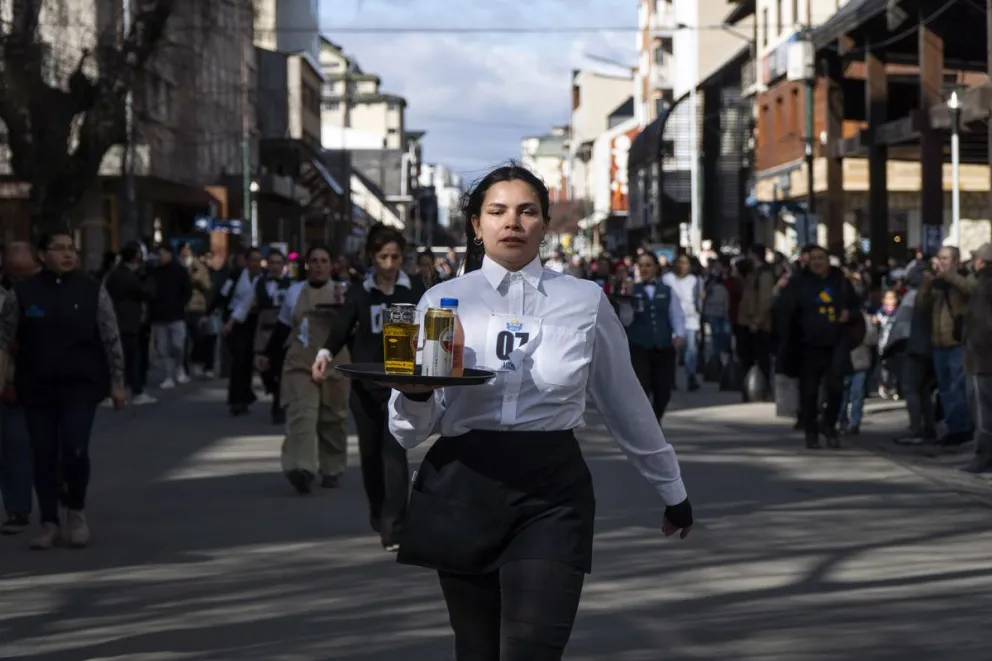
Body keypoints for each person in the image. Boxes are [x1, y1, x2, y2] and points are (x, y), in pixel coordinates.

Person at [365, 165, 693, 660]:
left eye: (527, 211)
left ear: (544, 224)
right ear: (477, 225)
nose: (512, 222)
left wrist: (671, 487)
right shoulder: (442, 302)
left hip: (552, 492)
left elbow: (626, 402)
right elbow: (410, 432)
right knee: (477, 651)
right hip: (463, 488)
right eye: (497, 211)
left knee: (532, 649)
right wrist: (413, 395)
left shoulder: (584, 300)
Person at [0, 232, 126, 549]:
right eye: (59, 249)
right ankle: (49, 523)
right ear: (43, 256)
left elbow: (111, 338)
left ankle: (77, 511)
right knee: (42, 454)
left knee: (74, 449)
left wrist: (117, 382)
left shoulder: (92, 291)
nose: (68, 254)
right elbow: (3, 342)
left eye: (72, 249)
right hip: (37, 388)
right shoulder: (23, 294)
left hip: (81, 387)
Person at [313, 224, 425, 551]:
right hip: (365, 384)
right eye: (383, 257)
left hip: (401, 385)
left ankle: (395, 527)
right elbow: (342, 327)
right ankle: (379, 511)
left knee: (394, 454)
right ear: (373, 257)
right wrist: (324, 354)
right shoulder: (360, 291)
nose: (389, 264)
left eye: (395, 257)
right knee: (370, 456)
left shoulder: (413, 289)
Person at [258, 246, 351, 494]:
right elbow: (282, 327)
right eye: (314, 261)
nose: (319, 265)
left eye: (324, 260)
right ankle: (301, 469)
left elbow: (354, 330)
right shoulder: (294, 292)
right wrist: (267, 355)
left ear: (331, 265)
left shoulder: (344, 292)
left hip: (336, 361)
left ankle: (332, 469)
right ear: (307, 265)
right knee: (302, 414)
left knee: (333, 418)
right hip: (300, 360)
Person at [618, 251, 685, 421]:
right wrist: (628, 299)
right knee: (642, 388)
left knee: (663, 390)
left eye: (648, 265)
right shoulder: (633, 290)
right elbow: (626, 321)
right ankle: (647, 426)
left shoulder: (667, 290)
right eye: (641, 265)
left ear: (656, 267)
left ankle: (656, 419)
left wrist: (679, 334)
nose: (645, 269)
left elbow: (676, 314)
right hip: (640, 347)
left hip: (663, 347)